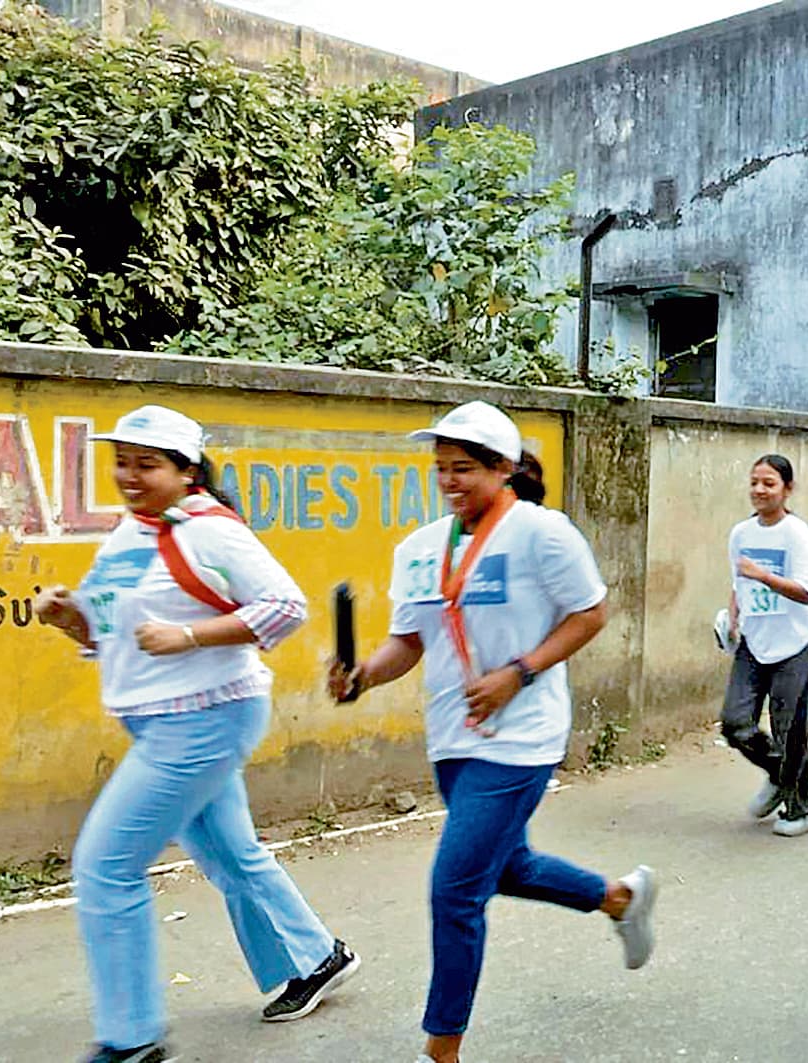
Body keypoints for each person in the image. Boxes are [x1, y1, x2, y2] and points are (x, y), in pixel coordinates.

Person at [327, 401, 657, 1063]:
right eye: (442, 468)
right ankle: (618, 898)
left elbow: (590, 613)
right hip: (453, 736)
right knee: (507, 866)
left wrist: (521, 670)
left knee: (454, 888)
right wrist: (361, 674)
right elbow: (409, 643)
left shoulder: (542, 533)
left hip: (520, 738)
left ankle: (441, 1049)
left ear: (503, 468)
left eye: (466, 468)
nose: (451, 481)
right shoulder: (420, 549)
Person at [32, 405, 357, 1063]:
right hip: (161, 722)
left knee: (106, 865)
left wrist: (189, 635)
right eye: (121, 460)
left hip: (203, 721)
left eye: (146, 463)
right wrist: (66, 615)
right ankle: (314, 955)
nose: (128, 474)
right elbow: (103, 632)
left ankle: (131, 1039)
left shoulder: (208, 529)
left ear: (186, 470)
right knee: (230, 853)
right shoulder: (131, 535)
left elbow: (284, 605)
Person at [721, 454, 808, 837]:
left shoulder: (795, 534)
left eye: (768, 483)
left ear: (787, 489)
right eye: (754, 482)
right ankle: (779, 774)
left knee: (790, 730)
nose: (759, 490)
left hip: (795, 642)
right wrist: (732, 617)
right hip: (754, 640)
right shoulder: (741, 534)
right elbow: (739, 584)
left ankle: (805, 807)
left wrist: (765, 576)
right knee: (735, 722)